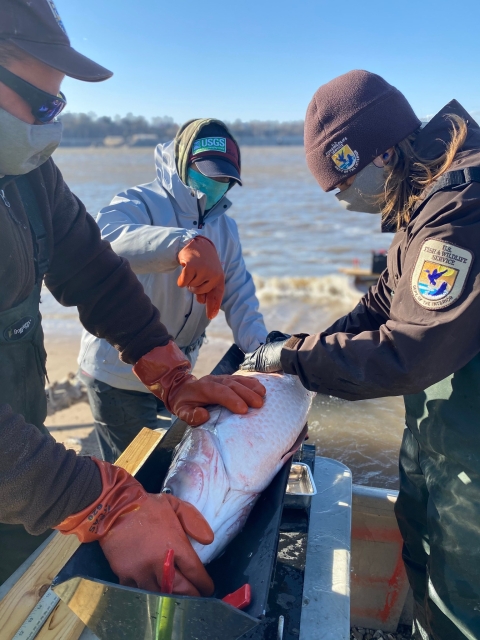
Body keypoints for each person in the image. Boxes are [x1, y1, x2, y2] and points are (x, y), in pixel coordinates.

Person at [0, 0, 265, 593]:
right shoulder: (139, 199)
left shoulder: (28, 176)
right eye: (41, 105)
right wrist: (106, 502)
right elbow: (119, 239)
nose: (52, 126)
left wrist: (170, 371)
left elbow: (95, 272)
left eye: (59, 107)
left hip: (17, 460)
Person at [241, 70, 480, 639]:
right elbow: (382, 301)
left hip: (472, 447)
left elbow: (408, 352)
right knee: (423, 553)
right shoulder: (423, 193)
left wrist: (297, 362)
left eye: (339, 183)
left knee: (463, 596)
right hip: (441, 433)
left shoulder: (460, 211)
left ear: (377, 155)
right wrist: (296, 350)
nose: (340, 199)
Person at [78, 118, 268, 461]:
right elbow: (105, 237)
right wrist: (183, 243)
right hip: (120, 374)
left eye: (224, 179)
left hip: (178, 371)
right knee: (134, 475)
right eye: (206, 173)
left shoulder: (226, 229)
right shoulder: (140, 202)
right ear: (183, 163)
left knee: (169, 461)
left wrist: (263, 354)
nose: (214, 184)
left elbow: (240, 294)